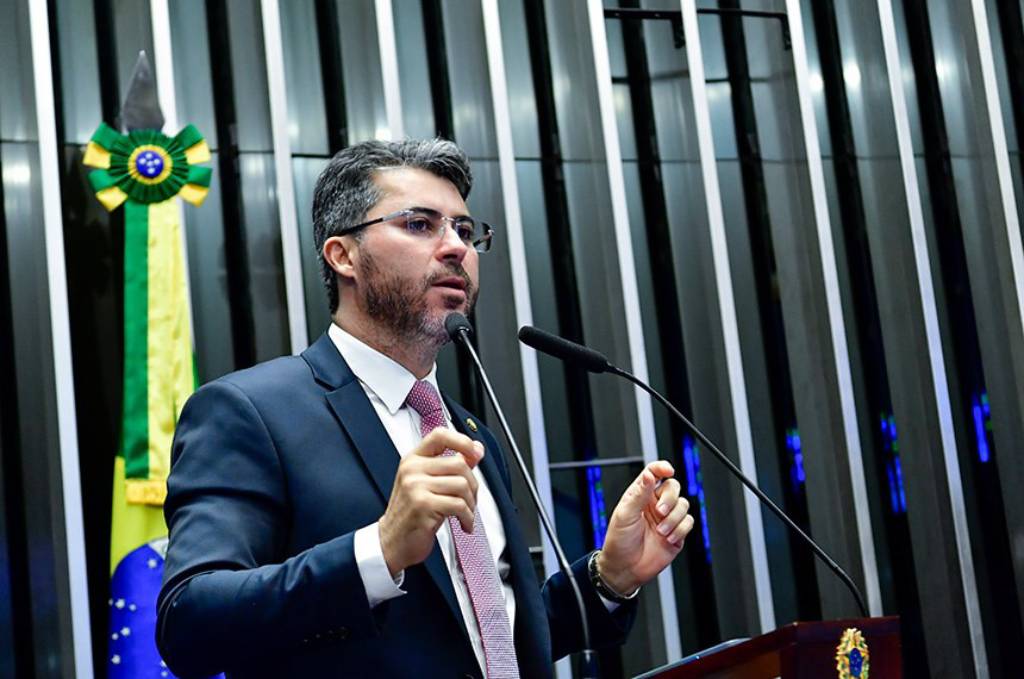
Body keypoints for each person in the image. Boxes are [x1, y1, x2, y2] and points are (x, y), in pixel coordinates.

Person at [156, 139, 694, 678]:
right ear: (343, 255)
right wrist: (380, 550)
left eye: (464, 230)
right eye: (420, 224)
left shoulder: (468, 430)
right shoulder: (250, 413)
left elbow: (486, 638)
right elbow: (191, 621)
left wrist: (609, 576)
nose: (456, 247)